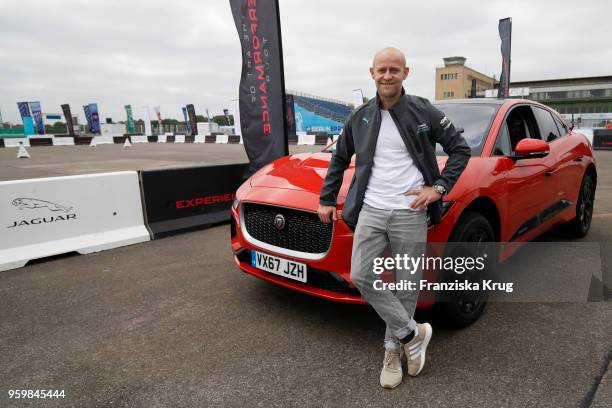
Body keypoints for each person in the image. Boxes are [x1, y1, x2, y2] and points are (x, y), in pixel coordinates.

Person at [317, 47, 470, 389]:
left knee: (406, 286)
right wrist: (326, 198)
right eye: (382, 69)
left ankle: (393, 350)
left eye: (394, 70)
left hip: (411, 212)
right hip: (371, 209)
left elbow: (461, 149)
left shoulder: (422, 110)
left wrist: (440, 188)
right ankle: (413, 335)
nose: (388, 75)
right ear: (372, 73)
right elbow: (339, 159)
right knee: (360, 273)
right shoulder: (360, 117)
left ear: (406, 73)